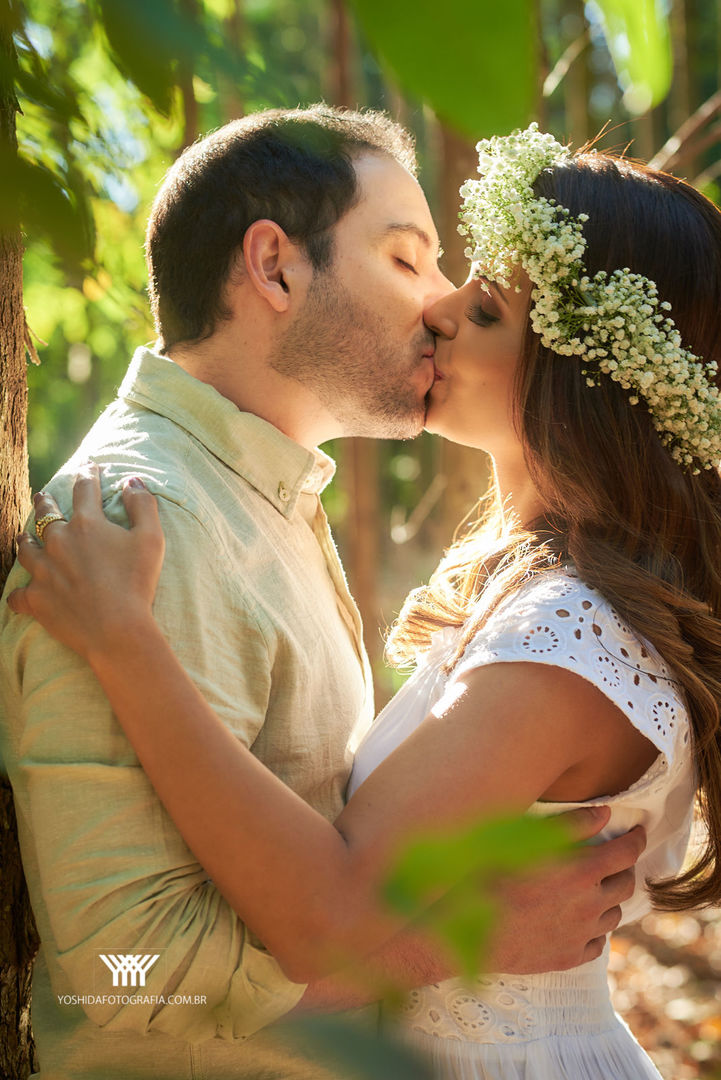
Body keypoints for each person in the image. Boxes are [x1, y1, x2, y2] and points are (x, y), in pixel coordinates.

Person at [8, 122, 721, 1078]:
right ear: (274, 268)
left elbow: (339, 898)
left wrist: (131, 649)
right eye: (408, 259)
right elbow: (123, 980)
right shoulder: (154, 526)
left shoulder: (562, 625)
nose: (436, 306)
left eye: (481, 304)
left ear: (581, 377)